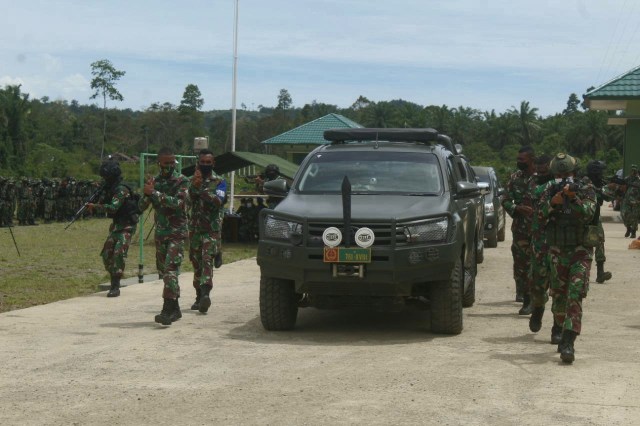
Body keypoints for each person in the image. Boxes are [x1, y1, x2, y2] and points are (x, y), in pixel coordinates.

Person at [537, 153, 596, 364]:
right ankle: (558, 327)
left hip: (580, 251)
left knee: (575, 294)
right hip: (557, 252)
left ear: (575, 173)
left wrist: (573, 198)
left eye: (567, 174)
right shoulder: (548, 190)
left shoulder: (586, 188)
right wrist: (553, 202)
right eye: (560, 175)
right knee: (559, 297)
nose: (564, 178)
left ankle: (569, 342)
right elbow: (539, 216)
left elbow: (589, 213)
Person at [139, 147, 190, 326]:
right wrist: (147, 193)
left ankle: (167, 309)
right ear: (159, 163)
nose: (169, 166)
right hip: (161, 234)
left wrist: (154, 193)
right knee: (164, 272)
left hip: (177, 232)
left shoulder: (182, 180)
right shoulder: (155, 181)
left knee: (170, 270)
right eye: (166, 163)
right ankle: (175, 308)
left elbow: (178, 203)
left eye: (172, 162)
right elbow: (141, 207)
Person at [87, 159, 139, 297]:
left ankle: (115, 285)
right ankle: (115, 275)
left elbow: (113, 208)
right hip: (116, 226)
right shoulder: (110, 188)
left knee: (118, 254)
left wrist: (95, 207)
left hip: (127, 226)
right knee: (106, 254)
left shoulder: (121, 189)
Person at [188, 149, 227, 313]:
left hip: (211, 230)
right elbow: (186, 200)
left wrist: (200, 190)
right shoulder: (191, 181)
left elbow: (218, 201)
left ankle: (205, 294)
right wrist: (193, 187)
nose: (205, 165)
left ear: (213, 163)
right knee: (196, 263)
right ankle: (198, 296)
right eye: (202, 162)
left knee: (206, 261)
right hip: (195, 229)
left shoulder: (220, 182)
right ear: (198, 162)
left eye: (208, 162)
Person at [501, 146, 536, 315]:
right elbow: (505, 200)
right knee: (521, 263)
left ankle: (536, 297)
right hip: (521, 228)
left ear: (531, 160)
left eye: (522, 160)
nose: (519, 162)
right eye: (518, 159)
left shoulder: (543, 178)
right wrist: (517, 208)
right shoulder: (514, 178)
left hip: (541, 228)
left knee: (538, 264)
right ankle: (525, 295)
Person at [528, 154, 554, 333]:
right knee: (538, 282)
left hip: (562, 241)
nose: (540, 170)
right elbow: (535, 193)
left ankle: (558, 327)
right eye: (538, 167)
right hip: (540, 240)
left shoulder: (565, 183)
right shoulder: (535, 183)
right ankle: (538, 309)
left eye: (544, 168)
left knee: (561, 286)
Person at [586, 160, 612, 283]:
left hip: (596, 217)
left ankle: (600, 272)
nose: (603, 174)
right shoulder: (585, 181)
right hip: (584, 218)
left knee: (600, 241)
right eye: (601, 171)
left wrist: (610, 188)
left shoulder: (600, 183)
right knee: (584, 244)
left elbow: (608, 197)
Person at [621, 164, 640, 238]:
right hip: (627, 200)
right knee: (625, 215)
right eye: (632, 170)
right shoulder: (627, 179)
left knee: (634, 217)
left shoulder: (639, 180)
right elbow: (621, 186)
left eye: (634, 170)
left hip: (636, 202)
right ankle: (628, 228)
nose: (633, 172)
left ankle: (633, 232)